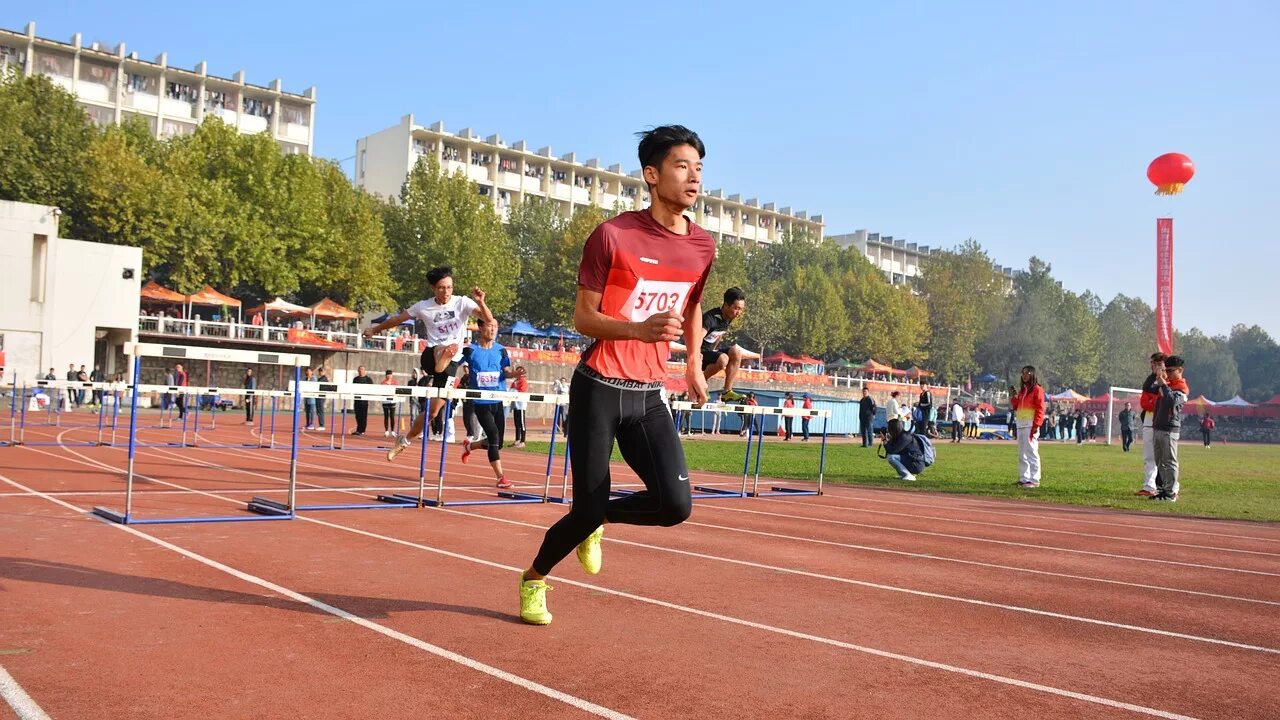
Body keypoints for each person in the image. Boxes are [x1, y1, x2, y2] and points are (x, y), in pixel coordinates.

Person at [518, 125, 714, 626]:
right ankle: (534, 579)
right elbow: (583, 318)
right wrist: (638, 329)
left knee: (675, 506)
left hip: (649, 396)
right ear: (651, 174)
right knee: (584, 508)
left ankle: (598, 518)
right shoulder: (613, 236)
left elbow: (693, 307)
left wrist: (692, 363)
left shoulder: (702, 246)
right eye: (680, 166)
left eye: (698, 167)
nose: (693, 177)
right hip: (600, 389)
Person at [365, 266, 495, 460]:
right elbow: (397, 319)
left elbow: (489, 319)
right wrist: (375, 330)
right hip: (431, 355)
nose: (446, 292)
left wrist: (481, 302)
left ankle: (404, 441)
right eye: (442, 288)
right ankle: (443, 354)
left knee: (433, 412)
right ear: (433, 288)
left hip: (451, 364)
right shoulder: (423, 307)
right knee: (445, 347)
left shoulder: (462, 303)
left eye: (449, 287)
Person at [459, 318, 519, 489]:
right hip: (480, 401)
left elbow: (506, 372)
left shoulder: (501, 350)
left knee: (497, 442)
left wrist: (515, 373)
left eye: (496, 327)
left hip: (498, 400)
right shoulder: (470, 350)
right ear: (480, 327)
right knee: (493, 435)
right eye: (490, 326)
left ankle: (469, 446)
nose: (493, 329)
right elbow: (454, 363)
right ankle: (501, 477)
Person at [700, 287, 747, 402]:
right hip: (699, 353)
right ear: (726, 305)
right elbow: (698, 337)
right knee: (723, 359)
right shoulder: (710, 318)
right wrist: (695, 358)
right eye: (736, 308)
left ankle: (727, 392)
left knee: (736, 352)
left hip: (710, 353)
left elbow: (718, 336)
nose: (738, 313)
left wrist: (714, 352)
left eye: (741, 309)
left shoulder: (728, 318)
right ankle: (701, 381)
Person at [1151, 356, 1188, 501]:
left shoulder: (1181, 388)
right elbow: (1152, 389)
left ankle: (1171, 492)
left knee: (1170, 461)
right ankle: (1164, 489)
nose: (1169, 373)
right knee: (1159, 461)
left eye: (1171, 370)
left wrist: (1164, 384)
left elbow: (1171, 400)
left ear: (1180, 370)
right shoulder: (1167, 384)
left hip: (1169, 428)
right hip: (1159, 427)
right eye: (1167, 370)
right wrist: (1159, 377)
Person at [1135, 352, 1167, 497]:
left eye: (1158, 364)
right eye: (1153, 363)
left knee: (1166, 456)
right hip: (1149, 421)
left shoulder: (1169, 380)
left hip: (1164, 422)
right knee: (1149, 455)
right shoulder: (1149, 380)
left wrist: (1154, 401)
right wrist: (1154, 401)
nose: (1154, 366)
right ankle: (1149, 486)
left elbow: (1166, 400)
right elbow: (1144, 402)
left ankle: (1169, 487)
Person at [1011, 366, 1045, 488]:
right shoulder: (1023, 390)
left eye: (1027, 373)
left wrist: (1037, 424)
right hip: (1021, 424)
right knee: (1022, 454)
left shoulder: (1037, 389)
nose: (1024, 375)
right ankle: (1024, 478)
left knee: (1031, 452)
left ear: (1033, 375)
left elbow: (1040, 408)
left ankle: (1034, 479)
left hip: (1031, 425)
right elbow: (1016, 406)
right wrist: (1014, 397)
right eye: (1023, 373)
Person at [351, 366, 372, 436]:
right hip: (357, 400)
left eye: (362, 369)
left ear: (364, 371)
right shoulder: (355, 379)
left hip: (364, 401)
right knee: (357, 416)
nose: (360, 371)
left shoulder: (368, 379)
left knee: (363, 416)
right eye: (359, 370)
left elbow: (372, 389)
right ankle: (358, 429)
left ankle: (362, 430)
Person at [511, 366, 529, 447]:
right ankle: (517, 439)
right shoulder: (515, 381)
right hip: (515, 404)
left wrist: (513, 391)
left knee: (522, 423)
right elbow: (511, 389)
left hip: (521, 405)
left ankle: (523, 441)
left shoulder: (523, 381)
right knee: (516, 423)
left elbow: (522, 391)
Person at [380, 370, 398, 437]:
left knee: (392, 416)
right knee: (386, 416)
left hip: (393, 401)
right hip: (385, 401)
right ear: (386, 375)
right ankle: (386, 430)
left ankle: (393, 431)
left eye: (390, 374)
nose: (389, 376)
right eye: (388, 374)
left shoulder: (395, 382)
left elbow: (397, 391)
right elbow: (381, 392)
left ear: (392, 375)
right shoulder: (383, 383)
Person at [315, 366, 329, 431]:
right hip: (318, 396)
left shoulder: (324, 379)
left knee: (320, 411)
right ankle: (321, 424)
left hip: (321, 397)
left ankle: (322, 425)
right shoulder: (320, 378)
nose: (320, 372)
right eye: (320, 371)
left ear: (324, 372)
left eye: (322, 371)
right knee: (319, 411)